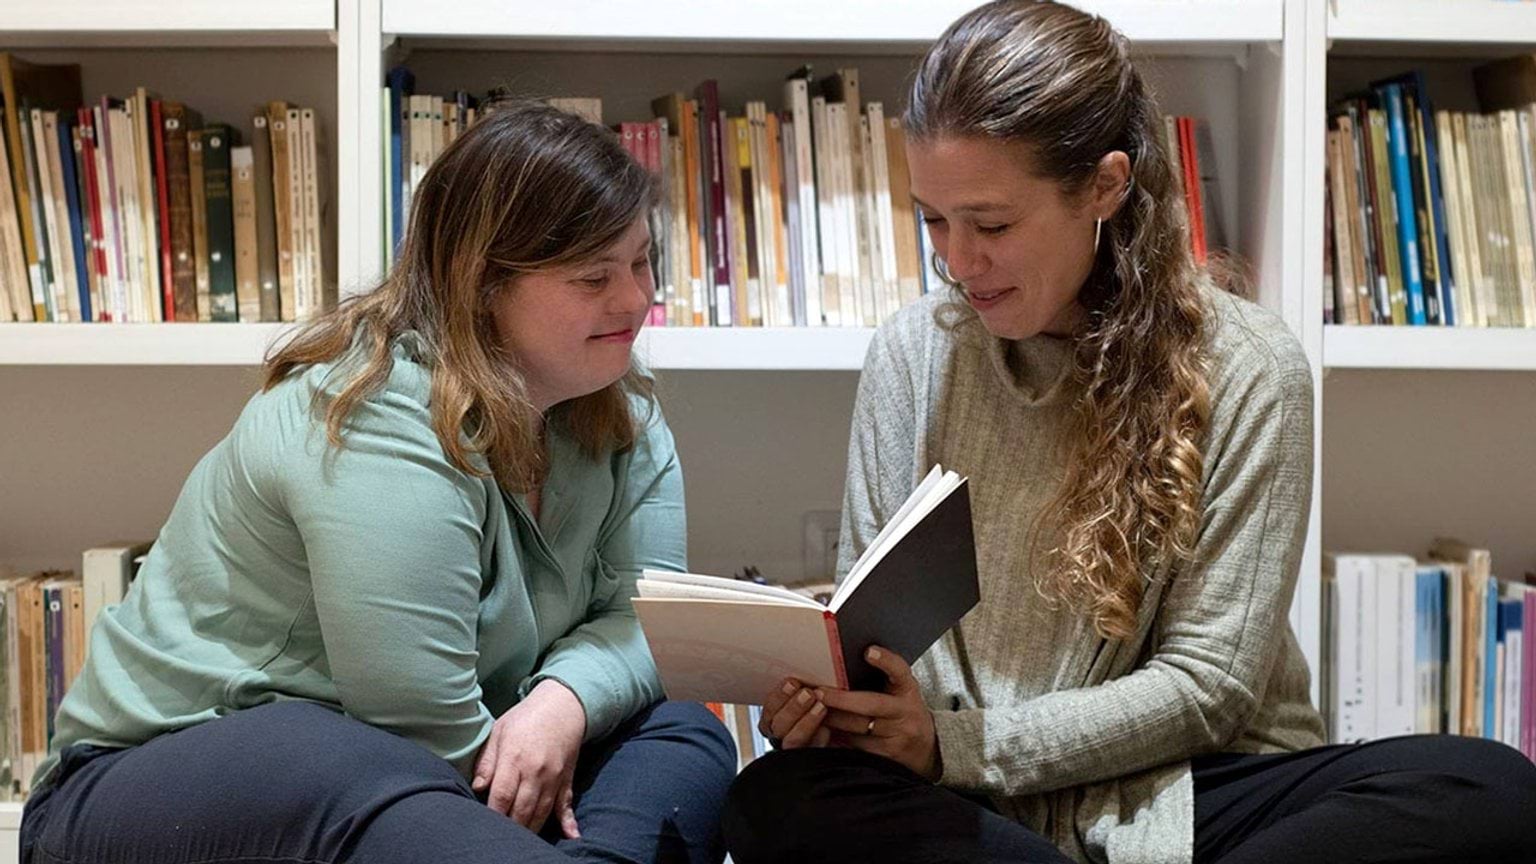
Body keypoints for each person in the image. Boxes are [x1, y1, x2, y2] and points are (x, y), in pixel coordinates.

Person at [724, 3, 1536, 863]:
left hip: (1188, 782)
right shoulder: (912, 353)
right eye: (933, 220)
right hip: (960, 787)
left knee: (1489, 789)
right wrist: (845, 713)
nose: (957, 262)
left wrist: (963, 746)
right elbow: (878, 640)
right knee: (772, 797)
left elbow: (1208, 688)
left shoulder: (1251, 366)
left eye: (992, 224)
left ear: (1106, 186)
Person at [21, 101, 735, 864]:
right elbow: (422, 724)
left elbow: (650, 621)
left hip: (451, 766)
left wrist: (563, 703)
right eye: (593, 276)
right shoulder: (376, 408)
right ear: (483, 283)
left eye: (639, 261)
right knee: (328, 755)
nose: (633, 299)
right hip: (172, 774)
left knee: (681, 725)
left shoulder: (620, 397)